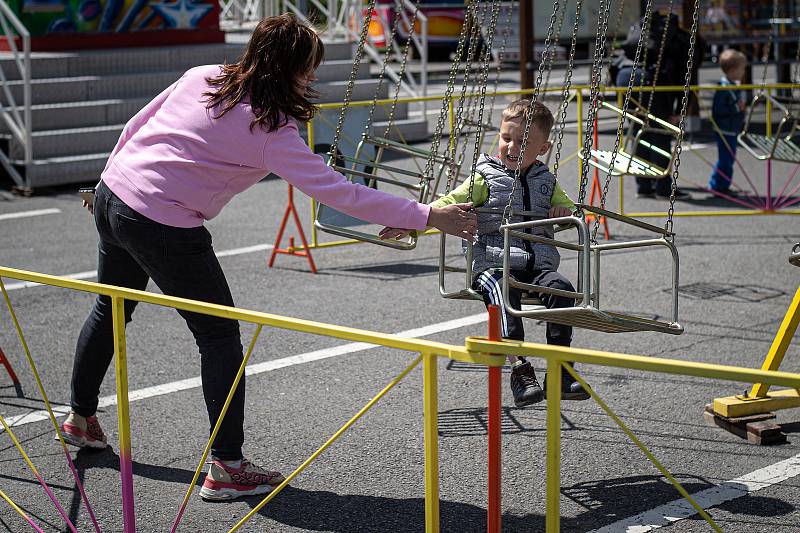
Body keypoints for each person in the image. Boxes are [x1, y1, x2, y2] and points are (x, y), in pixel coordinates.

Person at [60, 14, 476, 502]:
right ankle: (227, 467)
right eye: (307, 69)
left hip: (114, 192)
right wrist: (427, 215)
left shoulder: (204, 76)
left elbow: (136, 125)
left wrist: (107, 184)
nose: (313, 78)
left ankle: (81, 418)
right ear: (285, 69)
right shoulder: (271, 130)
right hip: (164, 221)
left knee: (110, 309)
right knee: (219, 337)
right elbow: (340, 193)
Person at [380, 99, 589, 408]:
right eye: (506, 138)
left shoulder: (547, 181)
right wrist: (413, 222)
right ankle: (521, 369)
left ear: (543, 149)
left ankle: (560, 370)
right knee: (501, 289)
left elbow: (573, 210)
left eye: (522, 142)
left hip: (537, 264)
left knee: (563, 290)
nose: (511, 146)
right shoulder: (485, 177)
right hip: (493, 262)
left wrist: (565, 211)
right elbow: (448, 202)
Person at [617, 11, 697, 200]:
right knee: (661, 135)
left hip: (626, 79)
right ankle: (663, 187)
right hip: (653, 83)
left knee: (640, 131)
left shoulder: (641, 33)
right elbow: (684, 78)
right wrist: (679, 112)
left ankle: (643, 185)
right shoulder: (680, 40)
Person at [708, 49, 747, 194]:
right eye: (742, 69)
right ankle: (718, 185)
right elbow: (719, 110)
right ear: (732, 70)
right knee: (726, 159)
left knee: (728, 158)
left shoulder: (731, 86)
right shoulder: (724, 88)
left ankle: (720, 184)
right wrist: (738, 107)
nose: (743, 72)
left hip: (731, 128)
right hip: (724, 129)